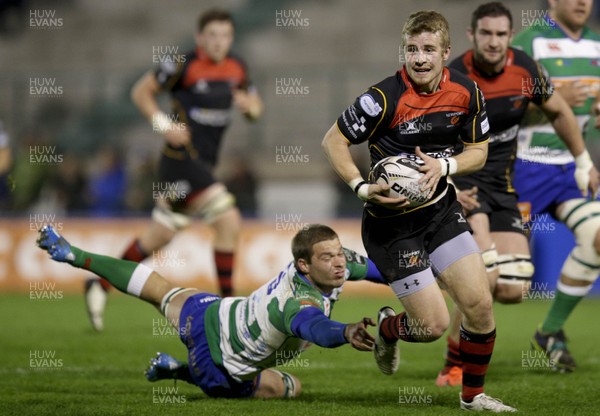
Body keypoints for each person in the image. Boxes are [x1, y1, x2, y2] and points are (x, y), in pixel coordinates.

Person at [322, 9, 516, 412]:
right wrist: (360, 186)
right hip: (392, 227)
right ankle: (390, 330)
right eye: (412, 49)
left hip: (441, 212)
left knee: (479, 305)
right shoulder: (381, 99)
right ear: (403, 52)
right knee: (433, 326)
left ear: (446, 52)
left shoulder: (467, 93)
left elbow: (479, 152)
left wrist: (445, 166)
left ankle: (473, 397)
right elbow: (333, 142)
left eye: (429, 49)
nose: (420, 58)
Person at [435, 2, 599, 385]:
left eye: (500, 34)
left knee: (513, 288)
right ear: (472, 35)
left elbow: (558, 111)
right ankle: (455, 363)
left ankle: (546, 329)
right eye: (486, 34)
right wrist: (448, 184)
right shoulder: (454, 77)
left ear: (509, 37)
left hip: (505, 186)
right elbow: (427, 133)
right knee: (483, 275)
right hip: (473, 182)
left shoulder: (523, 67)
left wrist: (582, 160)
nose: (494, 42)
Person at [38, 224, 381, 399]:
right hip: (217, 364)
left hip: (209, 312)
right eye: (328, 257)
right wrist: (347, 331)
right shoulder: (297, 304)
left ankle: (76, 255)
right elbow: (316, 328)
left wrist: (420, 278)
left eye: (339, 253)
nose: (339, 262)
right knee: (292, 387)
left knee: (156, 287)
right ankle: (181, 372)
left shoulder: (335, 264)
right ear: (304, 265)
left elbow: (382, 272)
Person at [85, 8, 263, 331]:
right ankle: (228, 309)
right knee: (228, 219)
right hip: (179, 161)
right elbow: (140, 92)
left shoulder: (238, 67)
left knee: (159, 236)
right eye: (212, 35)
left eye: (224, 35)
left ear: (231, 38)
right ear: (199, 38)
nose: (218, 41)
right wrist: (162, 123)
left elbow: (255, 106)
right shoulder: (183, 64)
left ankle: (100, 284)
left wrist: (252, 109)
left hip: (204, 165)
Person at [512, 0, 600, 372]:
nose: (582, 1)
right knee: (503, 280)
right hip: (524, 169)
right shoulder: (528, 43)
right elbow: (507, 107)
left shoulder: (597, 44)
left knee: (597, 238)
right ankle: (456, 359)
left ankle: (549, 332)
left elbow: (590, 119)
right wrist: (553, 101)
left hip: (570, 170)